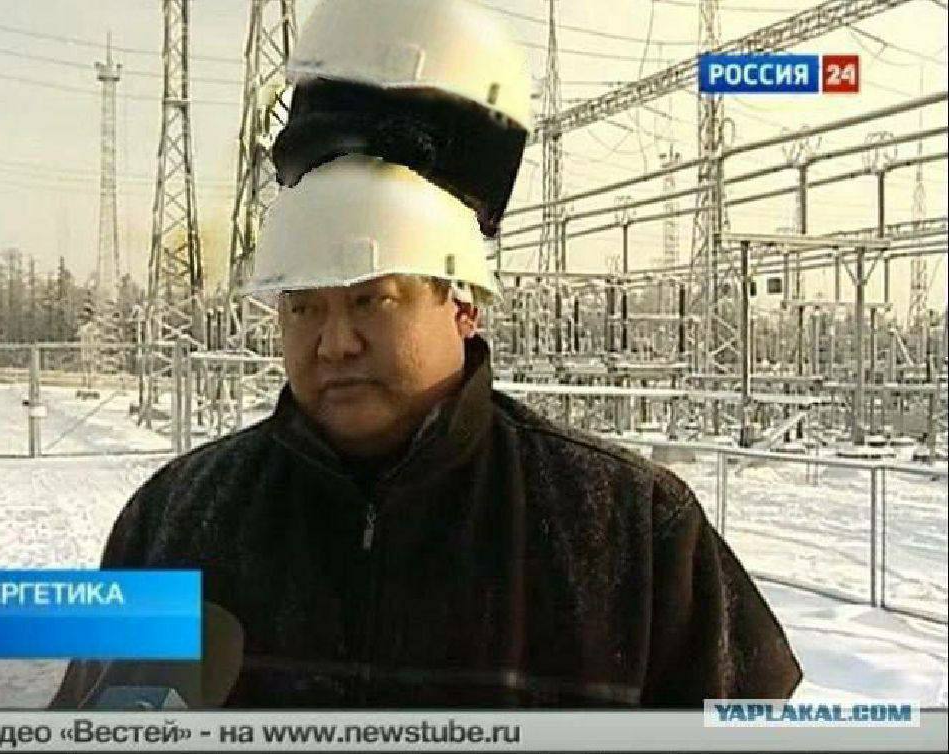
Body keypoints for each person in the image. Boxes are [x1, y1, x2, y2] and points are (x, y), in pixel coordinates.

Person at [51, 0, 801, 708]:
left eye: (372, 300)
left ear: (464, 306)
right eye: (304, 307)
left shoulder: (630, 532)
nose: (334, 342)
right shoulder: (176, 524)